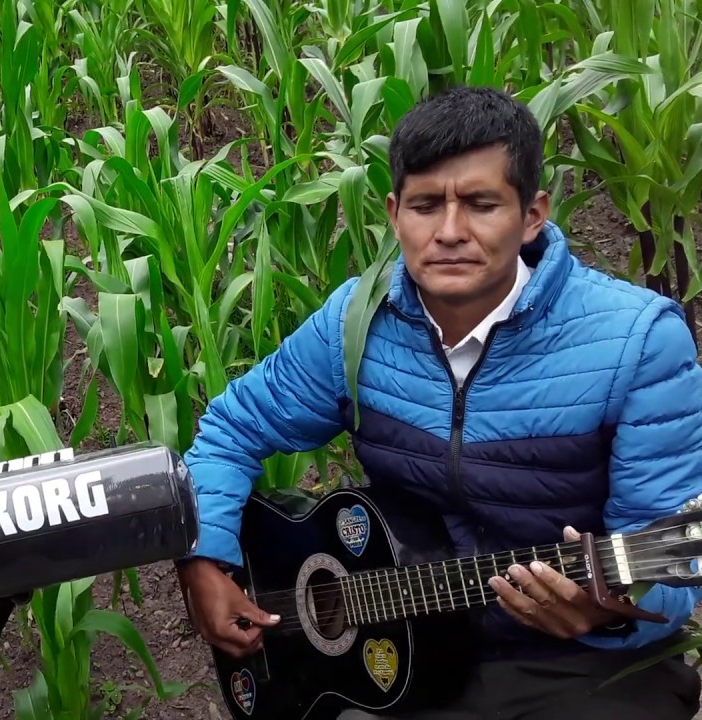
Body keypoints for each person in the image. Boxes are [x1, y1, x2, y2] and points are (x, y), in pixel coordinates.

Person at [176, 85, 702, 719]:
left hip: (577, 663)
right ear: (396, 213)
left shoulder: (637, 342)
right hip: (396, 651)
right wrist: (205, 558)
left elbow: (668, 562)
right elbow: (233, 427)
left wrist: (608, 612)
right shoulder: (358, 321)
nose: (449, 232)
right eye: (426, 206)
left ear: (532, 214)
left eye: (481, 204)